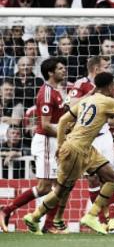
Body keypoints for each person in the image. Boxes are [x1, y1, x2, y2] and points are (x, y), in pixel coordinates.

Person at [22, 72, 114, 235]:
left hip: (86, 148)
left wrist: (61, 145)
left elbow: (62, 121)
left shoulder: (87, 100)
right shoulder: (109, 102)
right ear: (110, 86)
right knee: (62, 189)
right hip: (76, 149)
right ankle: (34, 216)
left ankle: (91, 215)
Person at [0, 58, 66, 234]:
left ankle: (46, 223)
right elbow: (45, 125)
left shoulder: (57, 92)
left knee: (56, 186)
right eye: (60, 68)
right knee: (49, 186)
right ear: (51, 72)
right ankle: (8, 210)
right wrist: (65, 133)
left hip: (53, 142)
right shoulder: (46, 93)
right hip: (45, 142)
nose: (64, 70)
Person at [67, 55, 114, 232]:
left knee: (110, 176)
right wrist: (93, 94)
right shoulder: (81, 84)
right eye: (106, 66)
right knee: (92, 179)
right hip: (88, 140)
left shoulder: (108, 84)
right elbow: (73, 105)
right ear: (96, 69)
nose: (109, 69)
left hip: (104, 135)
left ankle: (112, 219)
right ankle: (99, 218)